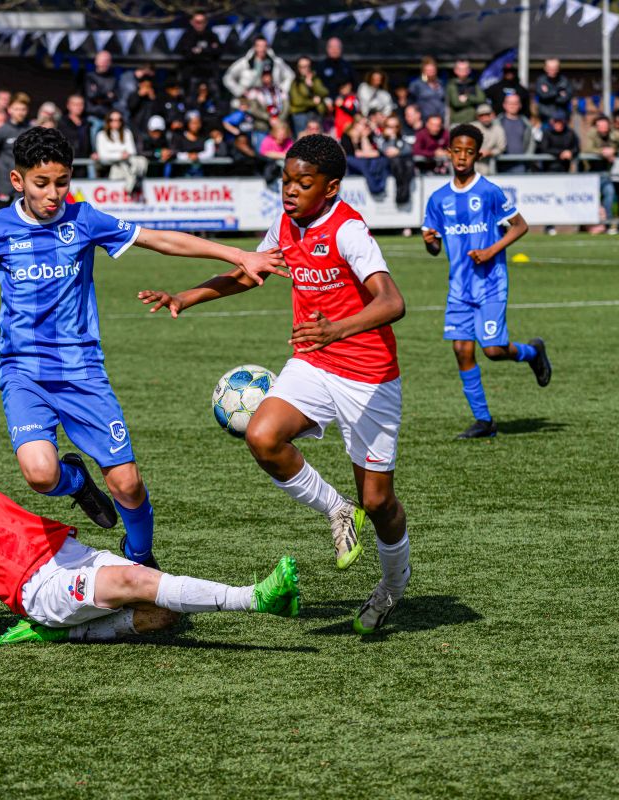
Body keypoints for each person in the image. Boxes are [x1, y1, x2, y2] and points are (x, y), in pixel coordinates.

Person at [0, 127, 286, 569]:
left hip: (82, 371)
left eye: (62, 182)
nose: (53, 194)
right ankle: (77, 483)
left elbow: (159, 239)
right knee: (40, 474)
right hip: (23, 374)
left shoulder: (84, 220)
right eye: (42, 183)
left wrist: (238, 255)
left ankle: (140, 557)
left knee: (128, 486)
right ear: (18, 181)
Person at [0, 311, 300, 655]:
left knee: (163, 615)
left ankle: (67, 633)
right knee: (136, 580)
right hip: (36, 589)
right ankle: (258, 598)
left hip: (65, 552)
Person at [137, 135, 410, 635]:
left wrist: (335, 329)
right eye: (286, 180)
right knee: (262, 436)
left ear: (330, 188)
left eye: (303, 183)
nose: (290, 190)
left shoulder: (348, 230)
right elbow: (249, 273)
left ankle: (393, 584)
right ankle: (336, 509)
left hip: (368, 376)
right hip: (313, 362)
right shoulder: (285, 225)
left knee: (379, 502)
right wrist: (185, 297)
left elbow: (392, 302)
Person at [421, 124, 551, 439]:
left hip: (491, 283)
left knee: (492, 350)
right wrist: (430, 241)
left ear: (478, 155)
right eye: (457, 151)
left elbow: (520, 226)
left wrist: (491, 251)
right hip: (458, 289)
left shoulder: (489, 192)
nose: (462, 157)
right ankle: (484, 421)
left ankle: (532, 353)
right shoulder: (438, 199)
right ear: (449, 152)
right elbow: (434, 248)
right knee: (461, 350)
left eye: (469, 152)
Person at [0, 93, 31, 208]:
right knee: (2, 211)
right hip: (5, 181)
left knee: (26, 212)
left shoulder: (31, 131)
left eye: (23, 109)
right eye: (16, 109)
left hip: (25, 180)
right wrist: (2, 165)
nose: (20, 112)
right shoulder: (0, 132)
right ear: (9, 110)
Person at [583, 114, 619, 232]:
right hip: (591, 173)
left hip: (605, 172)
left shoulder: (614, 134)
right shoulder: (591, 134)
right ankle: (591, 225)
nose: (604, 129)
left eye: (606, 126)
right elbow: (587, 149)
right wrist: (603, 152)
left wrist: (613, 151)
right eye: (601, 126)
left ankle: (607, 223)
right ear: (596, 126)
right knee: (592, 199)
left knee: (610, 193)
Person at [224, 37, 294, 99]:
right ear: (254, 47)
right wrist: (240, 91)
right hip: (249, 98)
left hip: (271, 97)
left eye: (264, 46)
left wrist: (282, 89)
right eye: (259, 46)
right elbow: (228, 78)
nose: (262, 49)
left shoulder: (276, 62)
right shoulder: (244, 63)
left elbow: (291, 76)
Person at [94, 110, 147, 191]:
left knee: (142, 161)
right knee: (119, 168)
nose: (117, 122)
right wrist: (120, 155)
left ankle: (132, 185)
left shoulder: (127, 133)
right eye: (113, 120)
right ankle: (131, 186)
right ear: (108, 121)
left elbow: (132, 151)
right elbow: (103, 155)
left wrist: (112, 153)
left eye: (119, 120)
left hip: (126, 166)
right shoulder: (101, 135)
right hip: (107, 168)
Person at [176, 13, 223, 96]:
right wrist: (208, 50)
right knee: (190, 97)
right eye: (197, 22)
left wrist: (200, 51)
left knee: (216, 96)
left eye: (202, 21)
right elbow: (184, 52)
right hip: (192, 73)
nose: (200, 24)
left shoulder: (212, 35)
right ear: (192, 22)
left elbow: (218, 51)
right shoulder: (187, 36)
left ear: (206, 22)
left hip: (210, 73)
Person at [289, 56, 330, 135]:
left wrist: (312, 85)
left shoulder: (315, 79)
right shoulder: (295, 82)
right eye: (302, 67)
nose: (305, 69)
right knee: (303, 137)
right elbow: (297, 101)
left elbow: (325, 92)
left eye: (307, 66)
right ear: (298, 68)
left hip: (315, 113)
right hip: (301, 114)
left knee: (317, 137)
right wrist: (313, 102)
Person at [84, 51, 118, 137]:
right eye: (102, 61)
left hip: (108, 117)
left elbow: (115, 98)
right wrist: (107, 95)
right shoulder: (89, 77)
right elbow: (92, 96)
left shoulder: (113, 79)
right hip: (93, 116)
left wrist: (99, 94)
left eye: (106, 61)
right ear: (96, 61)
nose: (104, 64)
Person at [497, 94, 534, 174]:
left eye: (515, 103)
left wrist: (528, 157)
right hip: (501, 163)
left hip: (521, 165)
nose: (513, 106)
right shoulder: (498, 122)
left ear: (520, 105)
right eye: (510, 103)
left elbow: (531, 143)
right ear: (504, 105)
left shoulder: (526, 123)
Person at [446, 59, 485, 125]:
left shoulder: (473, 83)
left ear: (469, 70)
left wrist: (468, 97)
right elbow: (456, 103)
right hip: (457, 121)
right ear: (455, 70)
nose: (463, 71)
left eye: (465, 69)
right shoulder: (451, 85)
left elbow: (482, 99)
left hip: (474, 120)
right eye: (460, 69)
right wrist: (474, 100)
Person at [533, 59, 572, 123]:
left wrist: (549, 94)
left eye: (554, 68)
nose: (552, 71)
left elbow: (566, 98)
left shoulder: (564, 81)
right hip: (545, 117)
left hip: (561, 117)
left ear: (558, 69)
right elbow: (543, 96)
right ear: (545, 68)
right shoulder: (541, 81)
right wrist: (558, 92)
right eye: (550, 68)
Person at [408, 57, 446, 122]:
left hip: (441, 119)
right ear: (423, 71)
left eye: (433, 70)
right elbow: (411, 101)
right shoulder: (417, 84)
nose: (431, 72)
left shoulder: (441, 83)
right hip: (424, 120)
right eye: (428, 70)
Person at [473, 103, 506, 176]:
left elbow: (501, 148)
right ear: (477, 117)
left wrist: (490, 152)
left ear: (492, 115)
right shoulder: (472, 127)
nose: (485, 118)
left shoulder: (498, 129)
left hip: (489, 163)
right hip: (472, 162)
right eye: (482, 115)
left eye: (487, 115)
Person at [59, 94, 92, 161]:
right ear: (68, 105)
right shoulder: (62, 123)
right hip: (67, 161)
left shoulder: (87, 123)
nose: (78, 107)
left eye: (81, 104)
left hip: (85, 160)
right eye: (75, 104)